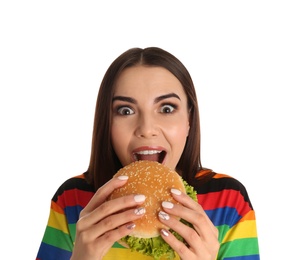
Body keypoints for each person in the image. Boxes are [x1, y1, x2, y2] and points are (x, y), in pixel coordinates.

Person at [36, 47, 260, 260]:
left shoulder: (229, 200)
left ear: (189, 119)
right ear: (106, 123)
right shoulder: (72, 200)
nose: (146, 129)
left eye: (167, 108)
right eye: (125, 110)